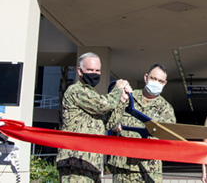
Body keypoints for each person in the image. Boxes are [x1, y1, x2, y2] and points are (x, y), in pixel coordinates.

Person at [57, 52, 132, 183]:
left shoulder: (93, 95)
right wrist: (118, 88)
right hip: (75, 163)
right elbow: (104, 105)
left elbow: (111, 123)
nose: (94, 73)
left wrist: (123, 100)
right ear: (80, 71)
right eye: (90, 70)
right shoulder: (76, 91)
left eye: (97, 70)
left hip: (93, 163)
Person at [107, 64, 176, 183]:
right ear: (146, 77)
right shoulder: (128, 98)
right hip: (123, 167)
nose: (156, 83)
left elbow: (169, 140)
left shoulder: (166, 109)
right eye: (153, 78)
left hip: (150, 168)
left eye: (160, 81)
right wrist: (122, 100)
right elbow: (110, 124)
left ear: (164, 83)